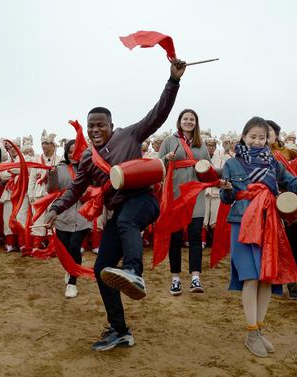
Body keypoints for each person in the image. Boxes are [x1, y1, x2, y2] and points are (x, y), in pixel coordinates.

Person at [46, 58, 186, 351]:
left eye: (101, 125)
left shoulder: (129, 135)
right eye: (90, 126)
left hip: (143, 201)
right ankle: (120, 330)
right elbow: (75, 188)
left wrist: (172, 81)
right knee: (101, 268)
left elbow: (158, 114)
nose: (96, 130)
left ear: (111, 125)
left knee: (125, 222)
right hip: (118, 212)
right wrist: (55, 208)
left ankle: (134, 272)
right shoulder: (86, 159)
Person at [220, 116, 297, 358]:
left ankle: (258, 330)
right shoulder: (232, 163)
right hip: (242, 222)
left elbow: (294, 185)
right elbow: (227, 199)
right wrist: (227, 190)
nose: (257, 141)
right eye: (253, 136)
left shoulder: (274, 163)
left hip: (269, 222)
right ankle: (251, 332)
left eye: (262, 137)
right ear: (243, 136)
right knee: (251, 277)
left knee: (267, 278)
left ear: (269, 139)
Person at [159, 109, 211, 295]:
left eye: (192, 119)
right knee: (176, 237)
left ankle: (195, 278)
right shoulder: (169, 141)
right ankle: (175, 279)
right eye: (185, 118)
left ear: (196, 123)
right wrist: (166, 158)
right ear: (179, 121)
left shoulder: (201, 144)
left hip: (195, 194)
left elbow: (208, 166)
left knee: (195, 235)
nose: (188, 121)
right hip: (175, 194)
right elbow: (158, 166)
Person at [267, 120, 297, 299]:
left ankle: (292, 281)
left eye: (270, 131)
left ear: (276, 134)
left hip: (288, 203)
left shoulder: (288, 152)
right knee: (270, 243)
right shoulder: (253, 155)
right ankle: (273, 279)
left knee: (292, 243)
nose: (266, 134)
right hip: (267, 204)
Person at [52, 140, 92, 298]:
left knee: (75, 247)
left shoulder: (89, 168)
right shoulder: (60, 168)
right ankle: (69, 269)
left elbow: (97, 188)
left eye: (78, 151)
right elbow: (52, 189)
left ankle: (72, 283)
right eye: (70, 152)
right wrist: (51, 176)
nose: (74, 155)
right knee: (66, 248)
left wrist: (87, 194)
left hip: (83, 215)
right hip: (63, 215)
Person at [29, 130, 61, 250]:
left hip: (54, 194)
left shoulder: (59, 159)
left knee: (53, 218)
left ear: (53, 145)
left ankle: (53, 244)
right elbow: (32, 178)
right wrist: (30, 194)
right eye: (43, 143)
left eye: (47, 143)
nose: (44, 146)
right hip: (39, 193)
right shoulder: (37, 160)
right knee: (38, 218)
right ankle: (38, 243)